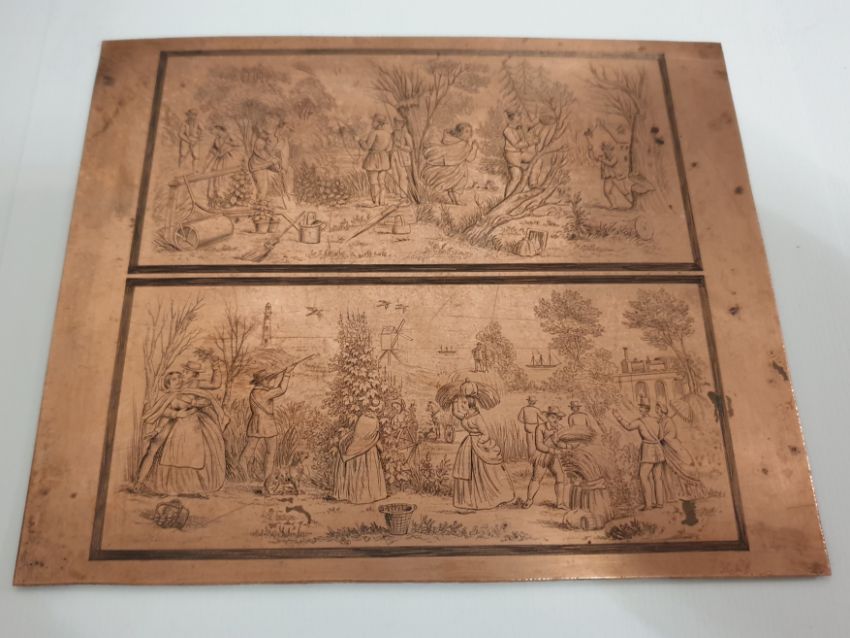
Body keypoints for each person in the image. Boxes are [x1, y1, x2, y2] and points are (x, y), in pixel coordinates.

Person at [134, 369, 228, 497]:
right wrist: (160, 427)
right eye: (174, 379)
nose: (178, 381)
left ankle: (193, 489)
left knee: (194, 456)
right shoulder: (167, 397)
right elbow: (163, 413)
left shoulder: (188, 393)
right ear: (167, 383)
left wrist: (196, 404)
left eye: (179, 378)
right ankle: (140, 482)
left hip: (191, 426)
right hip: (170, 425)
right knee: (153, 450)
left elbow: (206, 400)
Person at [450, 382, 515, 510]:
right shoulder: (465, 416)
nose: (462, 406)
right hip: (468, 445)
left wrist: (480, 443)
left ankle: (488, 498)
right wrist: (454, 403)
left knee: (483, 473)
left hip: (479, 445)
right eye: (462, 403)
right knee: (468, 471)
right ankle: (468, 501)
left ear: (471, 404)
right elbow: (455, 413)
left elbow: (486, 434)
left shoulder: (477, 418)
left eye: (464, 403)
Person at [237, 369, 292, 492]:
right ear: (262, 381)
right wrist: (287, 374)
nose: (270, 381)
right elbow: (281, 389)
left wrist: (282, 374)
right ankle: (251, 479)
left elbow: (276, 389)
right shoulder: (263, 393)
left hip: (259, 422)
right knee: (268, 452)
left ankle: (263, 480)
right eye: (268, 379)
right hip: (266, 423)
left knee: (252, 449)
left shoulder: (256, 391)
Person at [655, 403, 709, 525]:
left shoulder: (668, 421)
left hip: (672, 447)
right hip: (665, 448)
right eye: (656, 409)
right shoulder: (662, 421)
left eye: (658, 409)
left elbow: (670, 435)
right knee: (671, 472)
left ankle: (690, 494)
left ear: (662, 410)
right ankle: (677, 493)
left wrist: (662, 437)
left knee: (681, 469)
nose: (656, 411)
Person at [332, 398, 388, 504]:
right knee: (366, 472)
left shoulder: (362, 418)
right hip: (369, 451)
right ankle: (368, 496)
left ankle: (355, 496)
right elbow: (374, 437)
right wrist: (381, 449)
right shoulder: (374, 420)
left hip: (355, 449)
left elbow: (358, 435)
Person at [612, 400, 666, 510]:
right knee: (657, 478)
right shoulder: (656, 420)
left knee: (643, 476)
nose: (640, 409)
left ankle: (648, 505)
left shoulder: (640, 422)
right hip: (658, 449)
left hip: (648, 450)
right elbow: (661, 436)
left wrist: (618, 416)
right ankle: (659, 503)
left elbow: (628, 426)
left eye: (642, 407)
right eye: (640, 407)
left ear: (646, 409)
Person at [523, 406, 569, 509]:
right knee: (536, 478)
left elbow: (562, 442)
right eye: (552, 417)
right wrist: (552, 450)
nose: (555, 420)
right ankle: (529, 500)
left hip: (554, 457)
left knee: (560, 477)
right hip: (542, 455)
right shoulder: (541, 427)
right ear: (547, 417)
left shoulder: (561, 428)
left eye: (557, 418)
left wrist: (565, 446)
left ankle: (560, 503)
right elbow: (539, 445)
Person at [423, 122, 478, 205]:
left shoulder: (450, 140)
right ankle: (455, 199)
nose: (470, 134)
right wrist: (474, 148)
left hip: (452, 168)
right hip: (455, 170)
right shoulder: (463, 144)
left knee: (453, 184)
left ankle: (455, 199)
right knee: (457, 184)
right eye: (467, 131)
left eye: (470, 131)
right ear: (459, 133)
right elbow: (470, 158)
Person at [360, 114, 392, 206]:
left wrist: (360, 141)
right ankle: (382, 201)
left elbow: (367, 147)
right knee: (382, 182)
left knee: (373, 181)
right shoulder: (388, 135)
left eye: (373, 121)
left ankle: (376, 201)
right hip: (384, 158)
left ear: (378, 123)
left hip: (373, 158)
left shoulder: (374, 133)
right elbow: (389, 148)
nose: (372, 123)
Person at [249, 125, 284, 205]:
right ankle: (259, 204)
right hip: (257, 168)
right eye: (266, 134)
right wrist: (273, 161)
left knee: (263, 186)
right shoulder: (259, 142)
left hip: (259, 167)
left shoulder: (263, 145)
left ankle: (260, 203)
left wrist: (277, 168)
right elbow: (263, 156)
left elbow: (268, 160)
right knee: (262, 187)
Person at [503, 110, 531, 198]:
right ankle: (507, 198)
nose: (520, 118)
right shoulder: (507, 130)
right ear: (512, 118)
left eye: (520, 115)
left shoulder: (517, 129)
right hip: (511, 155)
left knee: (536, 159)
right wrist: (531, 142)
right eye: (518, 116)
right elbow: (516, 144)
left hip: (519, 154)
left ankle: (533, 183)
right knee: (516, 177)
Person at [205, 124, 237, 201]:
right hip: (218, 159)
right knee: (214, 173)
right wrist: (214, 153)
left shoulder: (228, 137)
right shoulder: (217, 139)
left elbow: (234, 145)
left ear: (218, 129)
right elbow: (212, 148)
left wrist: (224, 151)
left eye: (214, 130)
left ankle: (222, 193)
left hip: (225, 159)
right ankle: (214, 193)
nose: (213, 133)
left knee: (222, 175)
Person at [390, 116, 413, 201]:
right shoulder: (392, 134)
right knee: (395, 175)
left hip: (403, 157)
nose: (396, 124)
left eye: (398, 123)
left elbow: (410, 148)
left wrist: (400, 146)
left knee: (402, 176)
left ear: (402, 124)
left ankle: (403, 195)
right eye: (395, 122)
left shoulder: (406, 135)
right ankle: (397, 194)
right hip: (394, 156)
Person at [518, 395, 545, 460]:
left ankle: (531, 458)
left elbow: (520, 418)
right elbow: (543, 418)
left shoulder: (524, 409)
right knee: (536, 442)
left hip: (528, 426)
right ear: (534, 402)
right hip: (535, 426)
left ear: (528, 401)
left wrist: (526, 422)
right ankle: (535, 458)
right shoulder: (536, 409)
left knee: (530, 443)